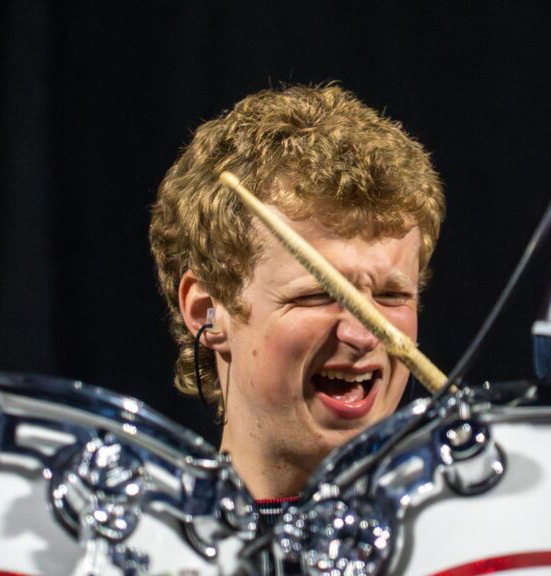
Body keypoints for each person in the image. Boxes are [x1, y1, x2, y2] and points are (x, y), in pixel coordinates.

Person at [149, 84, 444, 528]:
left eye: (391, 295)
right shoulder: (145, 548)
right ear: (206, 310)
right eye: (317, 295)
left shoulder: (468, 543)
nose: (365, 335)